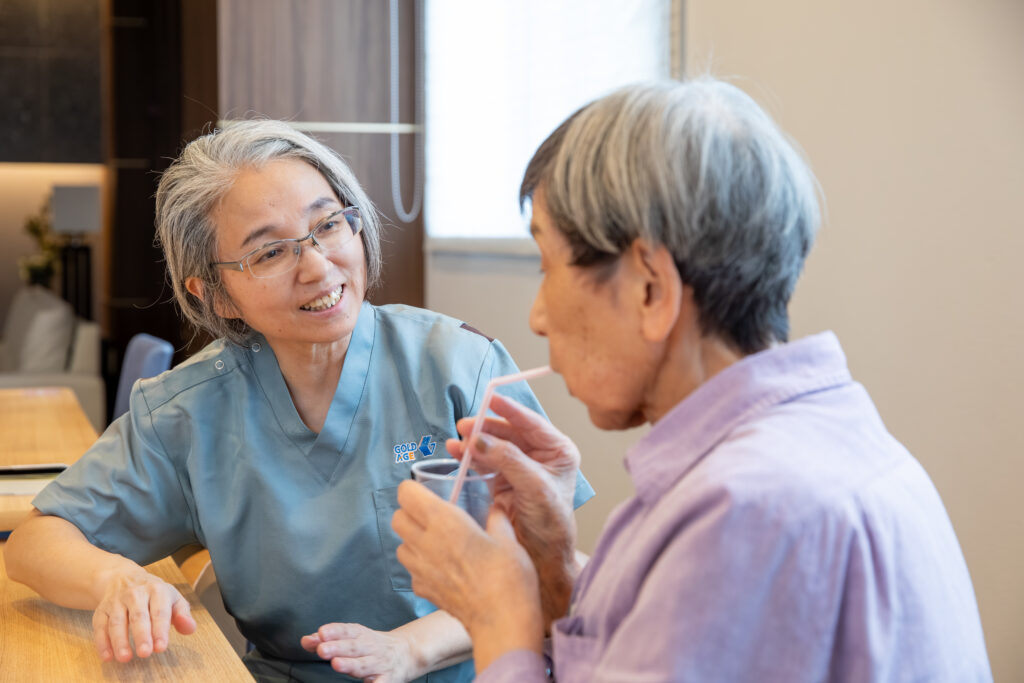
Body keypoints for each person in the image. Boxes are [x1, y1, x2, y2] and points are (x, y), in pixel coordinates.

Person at [391, 78, 993, 681]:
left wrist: (495, 616)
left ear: (651, 288)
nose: (538, 316)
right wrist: (552, 570)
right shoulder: (827, 442)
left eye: (548, 267)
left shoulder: (746, 510)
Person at [3, 120, 594, 683]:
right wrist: (115, 578)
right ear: (215, 295)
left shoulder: (459, 364)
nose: (317, 266)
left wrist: (410, 648)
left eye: (329, 225)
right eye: (269, 253)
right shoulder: (187, 412)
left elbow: (547, 576)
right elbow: (35, 542)